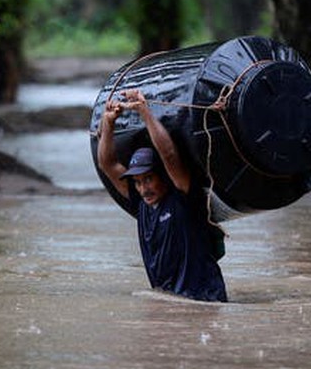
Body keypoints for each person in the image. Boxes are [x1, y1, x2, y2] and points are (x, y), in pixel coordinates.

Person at [97, 89, 228, 302]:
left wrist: (144, 112)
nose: (143, 188)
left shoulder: (183, 196)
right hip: (171, 302)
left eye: (148, 179)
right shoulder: (141, 204)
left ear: (164, 176)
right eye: (137, 182)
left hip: (205, 300)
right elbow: (108, 164)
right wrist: (108, 123)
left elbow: (169, 155)